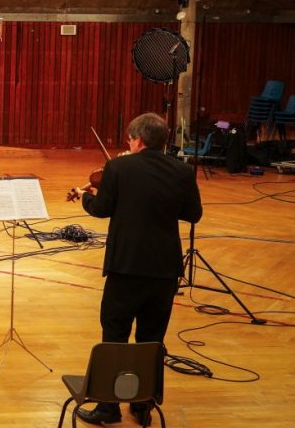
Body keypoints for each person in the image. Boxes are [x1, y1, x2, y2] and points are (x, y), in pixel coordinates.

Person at [72, 112, 202, 426]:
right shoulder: (183, 171)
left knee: (114, 334)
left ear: (138, 140)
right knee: (152, 338)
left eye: (130, 139)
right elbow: (193, 214)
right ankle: (144, 406)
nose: (128, 144)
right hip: (164, 269)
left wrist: (85, 199)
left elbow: (102, 209)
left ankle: (108, 408)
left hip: (126, 267)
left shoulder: (119, 167)